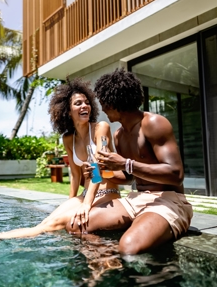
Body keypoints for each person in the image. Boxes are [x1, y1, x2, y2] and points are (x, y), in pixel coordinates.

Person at [0, 77, 123, 245]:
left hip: (107, 192)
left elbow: (99, 168)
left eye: (86, 102)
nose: (85, 106)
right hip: (86, 195)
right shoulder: (68, 139)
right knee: (45, 222)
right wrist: (70, 203)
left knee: (51, 226)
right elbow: (75, 176)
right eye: (78, 103)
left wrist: (85, 204)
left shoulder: (101, 128)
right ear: (68, 112)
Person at [66, 68, 193, 255]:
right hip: (136, 200)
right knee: (75, 225)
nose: (101, 107)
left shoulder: (154, 124)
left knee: (128, 246)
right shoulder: (119, 135)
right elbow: (127, 177)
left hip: (168, 200)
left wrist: (125, 163)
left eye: (103, 103)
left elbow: (176, 174)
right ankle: (107, 262)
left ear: (114, 103)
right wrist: (102, 172)